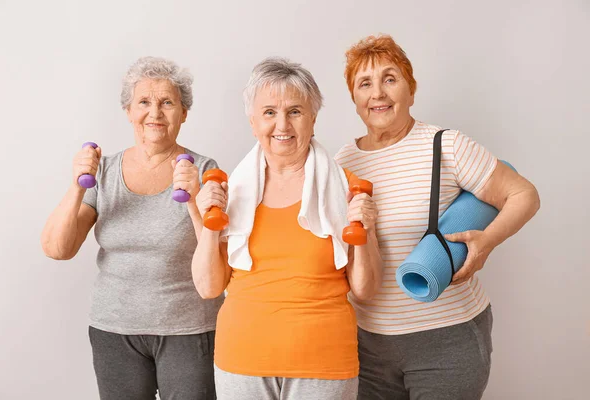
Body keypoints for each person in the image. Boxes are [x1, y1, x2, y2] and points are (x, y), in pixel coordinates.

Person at [335, 34, 541, 400]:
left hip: (446, 340)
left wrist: (487, 242)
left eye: (390, 79)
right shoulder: (341, 164)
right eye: (364, 83)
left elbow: (524, 194)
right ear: (354, 99)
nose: (377, 93)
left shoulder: (446, 145)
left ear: (411, 91)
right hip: (366, 344)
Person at [191, 57, 383, 400]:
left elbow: (365, 289)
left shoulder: (347, 190)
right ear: (253, 122)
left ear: (312, 118)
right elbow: (208, 287)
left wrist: (366, 229)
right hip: (242, 360)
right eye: (269, 112)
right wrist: (207, 220)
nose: (283, 124)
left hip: (325, 362)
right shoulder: (229, 192)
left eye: (295, 111)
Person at [41, 56, 221, 400]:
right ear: (128, 111)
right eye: (144, 102)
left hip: (189, 329)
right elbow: (58, 248)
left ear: (183, 113)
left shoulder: (204, 170)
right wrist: (78, 184)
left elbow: (217, 255)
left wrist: (196, 200)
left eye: (167, 102)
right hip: (114, 330)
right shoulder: (103, 172)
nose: (155, 112)